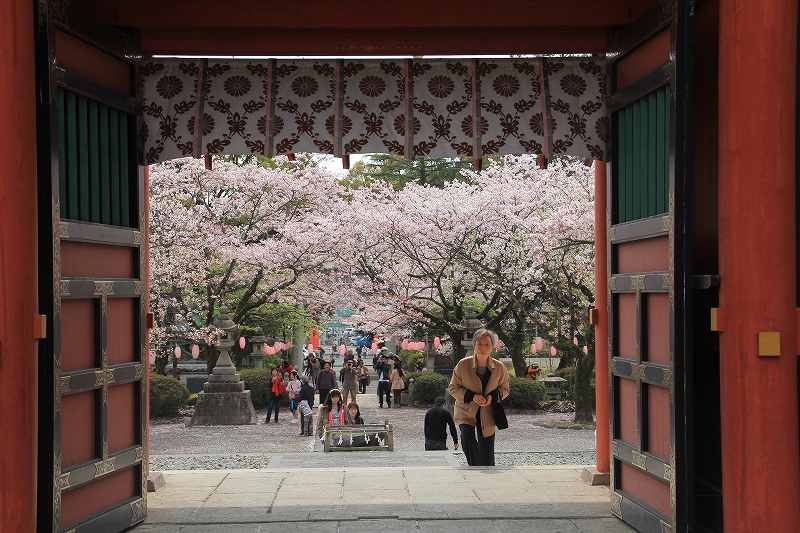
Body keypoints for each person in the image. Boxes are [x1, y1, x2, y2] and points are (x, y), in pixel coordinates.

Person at [448, 328, 510, 466]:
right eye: (479, 344)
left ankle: (487, 472)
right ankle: (475, 468)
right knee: (467, 438)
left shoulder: (499, 367)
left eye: (487, 344)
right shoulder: (463, 364)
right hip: (465, 410)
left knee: (487, 449)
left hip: (487, 412)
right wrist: (471, 396)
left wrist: (492, 397)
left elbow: (505, 389)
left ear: (492, 347)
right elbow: (453, 388)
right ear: (474, 344)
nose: (482, 347)